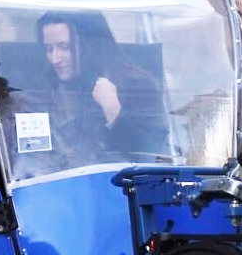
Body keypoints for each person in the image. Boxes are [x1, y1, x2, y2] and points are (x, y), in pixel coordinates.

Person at [34, 11, 166, 167]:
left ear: (90, 46)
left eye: (65, 47)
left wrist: (113, 110)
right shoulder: (44, 88)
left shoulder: (138, 85)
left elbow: (154, 156)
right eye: (49, 49)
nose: (55, 59)